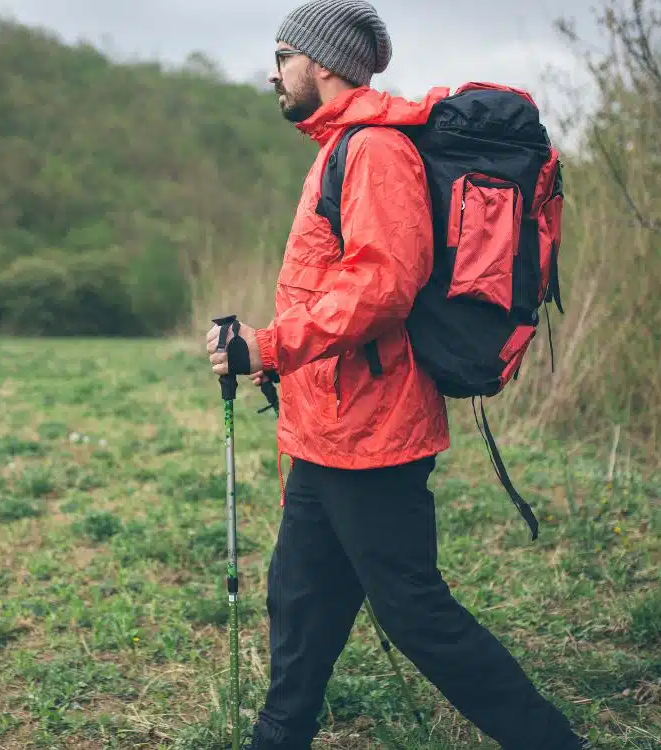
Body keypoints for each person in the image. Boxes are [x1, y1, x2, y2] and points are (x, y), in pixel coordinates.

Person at [205, 1, 589, 747]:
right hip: (328, 430)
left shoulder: (375, 151)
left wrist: (275, 345)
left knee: (417, 615)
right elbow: (333, 288)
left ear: (321, 64)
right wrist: (274, 360)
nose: (272, 73)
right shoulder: (340, 147)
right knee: (301, 597)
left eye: (282, 58)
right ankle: (279, 733)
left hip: (373, 433)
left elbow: (383, 286)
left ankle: (549, 741)